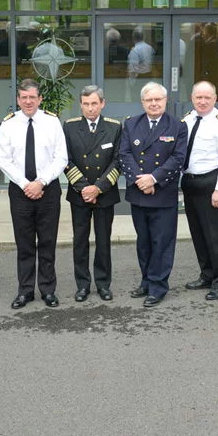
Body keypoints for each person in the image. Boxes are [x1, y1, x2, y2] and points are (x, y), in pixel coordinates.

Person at [0, 79, 68, 309]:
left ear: (40, 99)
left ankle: (48, 290)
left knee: (47, 241)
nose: (28, 101)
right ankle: (25, 290)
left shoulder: (52, 122)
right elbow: (3, 159)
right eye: (23, 97)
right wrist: (25, 183)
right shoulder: (8, 124)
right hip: (19, 191)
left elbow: (61, 157)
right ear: (18, 100)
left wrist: (41, 182)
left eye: (32, 97)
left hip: (48, 190)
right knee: (24, 243)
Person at [119, 82, 188, 307]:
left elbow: (178, 159)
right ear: (143, 102)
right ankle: (147, 280)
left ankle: (158, 286)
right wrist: (141, 180)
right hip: (139, 192)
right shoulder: (131, 124)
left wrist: (153, 179)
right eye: (149, 100)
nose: (154, 103)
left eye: (158, 99)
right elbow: (125, 154)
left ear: (165, 101)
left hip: (163, 192)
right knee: (144, 241)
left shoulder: (177, 126)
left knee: (162, 242)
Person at [63, 86, 122, 302]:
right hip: (79, 194)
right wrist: (84, 187)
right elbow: (65, 160)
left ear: (102, 104)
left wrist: (98, 187)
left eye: (94, 103)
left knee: (103, 240)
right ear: (81, 104)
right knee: (80, 240)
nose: (90, 108)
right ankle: (82, 285)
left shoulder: (115, 128)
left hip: (105, 193)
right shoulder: (69, 127)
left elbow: (118, 161)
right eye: (86, 104)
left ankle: (103, 284)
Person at [180, 81, 218, 301]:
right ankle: (207, 274)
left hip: (212, 183)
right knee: (199, 233)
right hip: (190, 182)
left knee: (217, 235)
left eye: (207, 97)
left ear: (215, 98)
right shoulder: (187, 120)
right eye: (198, 97)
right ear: (192, 98)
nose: (202, 101)